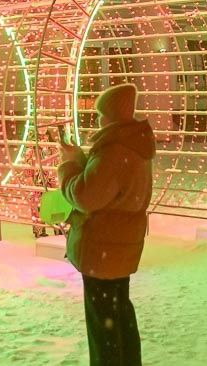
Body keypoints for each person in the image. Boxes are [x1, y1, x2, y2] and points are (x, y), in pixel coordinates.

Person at [59, 83, 155, 366]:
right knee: (120, 314)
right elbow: (111, 185)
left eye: (101, 114)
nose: (99, 120)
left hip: (103, 247)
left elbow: (86, 195)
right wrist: (81, 159)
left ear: (110, 115)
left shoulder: (114, 150)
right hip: (121, 247)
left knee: (104, 326)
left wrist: (67, 168)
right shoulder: (134, 144)